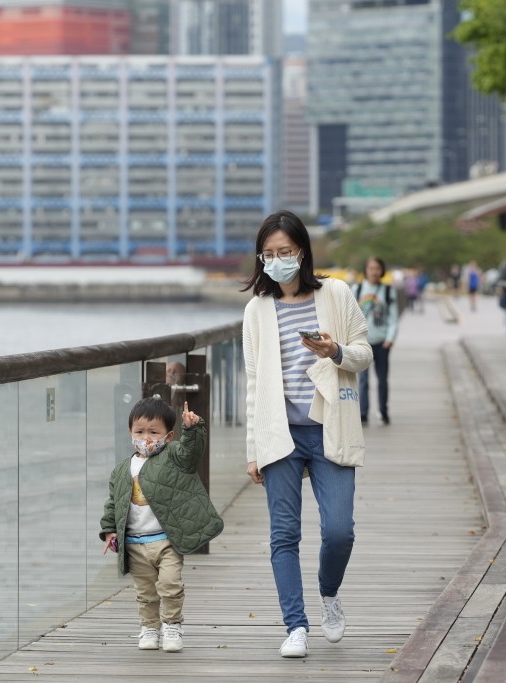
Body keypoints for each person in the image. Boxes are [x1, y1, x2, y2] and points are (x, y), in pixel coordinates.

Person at [240, 209, 372, 659]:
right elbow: (253, 382)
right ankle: (295, 625)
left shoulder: (335, 293)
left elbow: (363, 353)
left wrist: (335, 351)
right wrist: (253, 449)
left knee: (339, 532)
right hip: (280, 435)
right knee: (283, 535)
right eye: (269, 254)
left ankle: (329, 594)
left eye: (286, 252)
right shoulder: (256, 310)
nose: (278, 260)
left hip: (329, 428)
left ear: (303, 252)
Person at [99, 397, 223, 653]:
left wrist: (194, 428)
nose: (146, 437)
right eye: (139, 431)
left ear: (168, 436)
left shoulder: (174, 456)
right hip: (135, 543)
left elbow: (191, 452)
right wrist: (110, 531)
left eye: (153, 432)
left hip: (166, 539)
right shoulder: (122, 470)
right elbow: (114, 504)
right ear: (130, 433)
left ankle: (173, 625)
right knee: (145, 591)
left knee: (170, 584)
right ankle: (149, 627)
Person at [353, 257, 400, 426]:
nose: (374, 272)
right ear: (365, 270)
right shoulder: (357, 289)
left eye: (377, 268)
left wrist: (390, 338)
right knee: (363, 379)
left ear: (382, 270)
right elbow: (349, 316)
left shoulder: (388, 291)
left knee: (382, 379)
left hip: (382, 342)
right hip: (362, 342)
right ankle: (363, 412)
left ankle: (383, 410)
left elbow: (393, 318)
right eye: (371, 268)